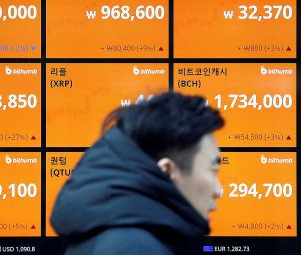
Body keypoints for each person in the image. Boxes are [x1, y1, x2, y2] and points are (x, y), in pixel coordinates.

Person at [51, 92, 225, 255]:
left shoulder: (114, 235)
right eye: (213, 170)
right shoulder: (136, 248)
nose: (219, 190)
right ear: (166, 171)